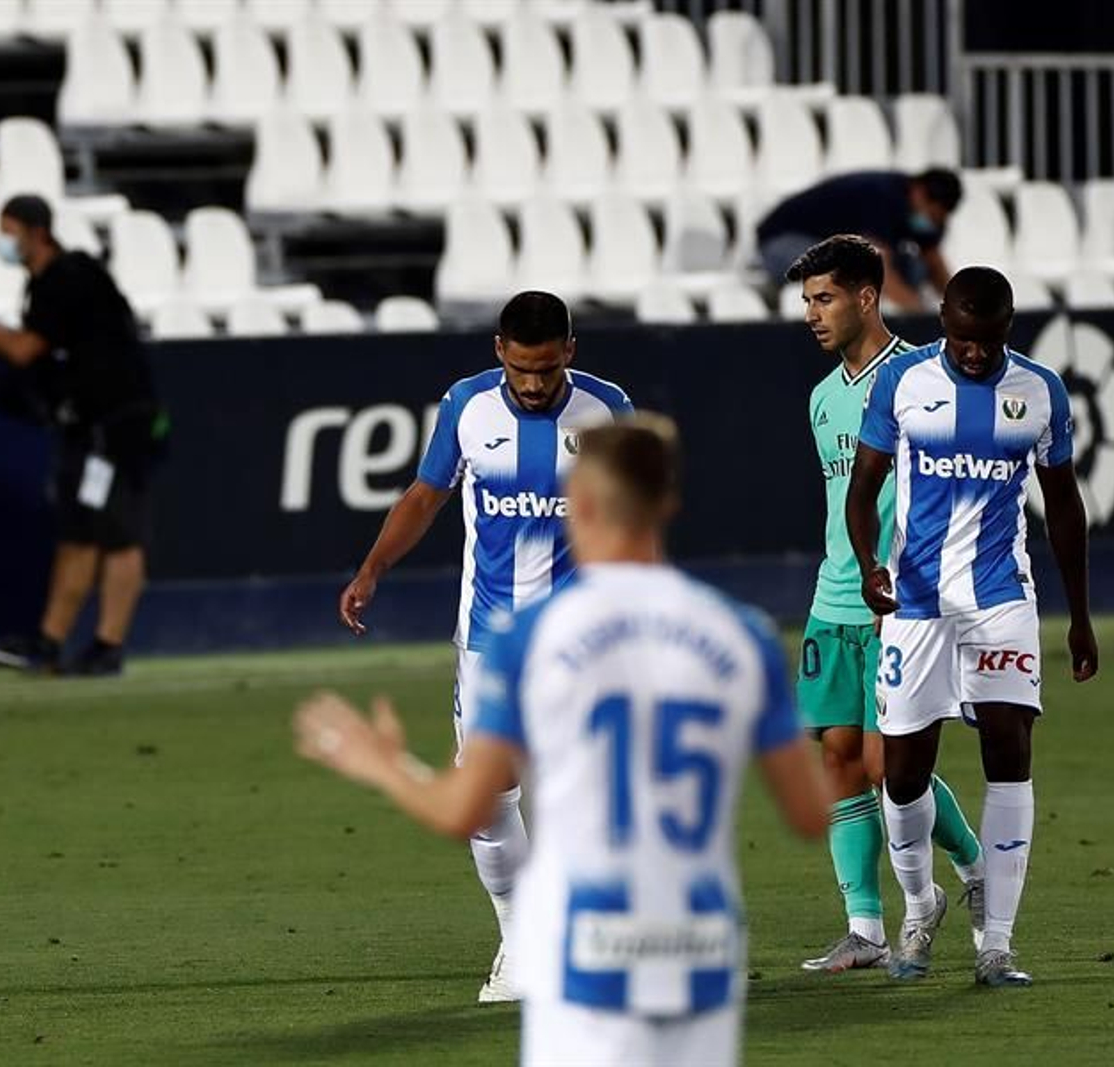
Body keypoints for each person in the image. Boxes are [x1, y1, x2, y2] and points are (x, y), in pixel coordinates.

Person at [299, 415, 829, 1066]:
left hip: (587, 943)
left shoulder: (533, 638)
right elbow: (809, 814)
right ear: (669, 502)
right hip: (702, 945)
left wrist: (383, 763)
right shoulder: (742, 634)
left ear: (576, 504)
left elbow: (465, 808)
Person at [337, 291, 633, 1002]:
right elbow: (424, 494)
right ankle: (523, 939)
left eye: (547, 368)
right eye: (522, 369)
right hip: (490, 641)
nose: (534, 384)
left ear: (570, 350)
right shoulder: (468, 406)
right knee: (488, 796)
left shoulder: (609, 410)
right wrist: (372, 568)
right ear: (500, 350)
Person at [847, 265, 1098, 986]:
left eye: (988, 341)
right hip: (916, 600)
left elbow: (1066, 508)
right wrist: (870, 564)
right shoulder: (903, 384)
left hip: (999, 595)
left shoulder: (1040, 390)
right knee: (901, 772)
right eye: (963, 338)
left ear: (1007, 330)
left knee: (1008, 745)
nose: (975, 353)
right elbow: (863, 490)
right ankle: (921, 904)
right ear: (944, 324)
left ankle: (998, 943)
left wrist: (1079, 617)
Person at [785, 235, 985, 974]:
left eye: (825, 298)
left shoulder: (919, 378)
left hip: (901, 603)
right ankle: (864, 928)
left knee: (885, 763)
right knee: (839, 759)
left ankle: (972, 866)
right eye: (807, 301)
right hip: (832, 599)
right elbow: (846, 499)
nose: (812, 314)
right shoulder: (821, 397)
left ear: (867, 296)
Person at [0, 194, 160, 676]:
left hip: (116, 426)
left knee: (119, 535)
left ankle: (108, 645)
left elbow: (24, 350)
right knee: (79, 532)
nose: (5, 242)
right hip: (89, 426)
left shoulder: (67, 278)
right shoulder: (50, 283)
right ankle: (51, 640)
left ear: (37, 232)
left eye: (9, 231)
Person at [756, 169, 963, 311]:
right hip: (782, 242)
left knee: (915, 268)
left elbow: (933, 259)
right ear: (919, 192)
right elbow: (880, 267)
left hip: (839, 248)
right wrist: (918, 315)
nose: (932, 222)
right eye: (932, 214)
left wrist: (958, 308)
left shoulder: (923, 213)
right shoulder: (882, 196)